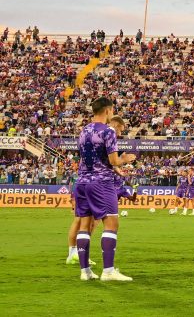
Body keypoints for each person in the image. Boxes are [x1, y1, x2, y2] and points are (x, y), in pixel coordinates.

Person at [74, 97, 136, 282]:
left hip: (82, 182)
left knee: (84, 226)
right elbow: (113, 160)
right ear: (108, 111)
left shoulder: (84, 130)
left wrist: (115, 165)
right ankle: (108, 271)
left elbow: (90, 159)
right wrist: (125, 159)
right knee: (111, 224)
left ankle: (85, 272)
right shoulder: (108, 131)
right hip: (101, 183)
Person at [66, 115, 132, 265]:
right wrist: (122, 161)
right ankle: (76, 254)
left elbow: (98, 161)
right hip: (97, 183)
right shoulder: (108, 132)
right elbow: (110, 161)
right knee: (93, 222)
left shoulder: (88, 131)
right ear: (115, 124)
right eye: (120, 130)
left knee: (86, 222)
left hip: (83, 181)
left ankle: (78, 256)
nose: (120, 134)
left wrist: (116, 170)